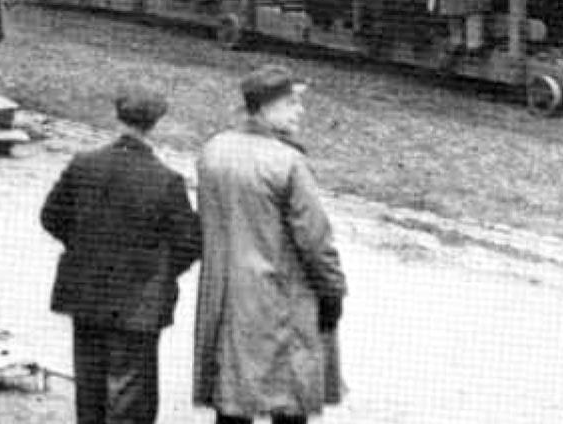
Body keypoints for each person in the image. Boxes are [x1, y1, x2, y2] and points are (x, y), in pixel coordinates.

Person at [194, 64, 346, 424]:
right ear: (264, 108)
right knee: (288, 396)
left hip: (226, 296)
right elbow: (315, 239)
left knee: (231, 395)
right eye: (291, 103)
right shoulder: (287, 162)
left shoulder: (214, 150)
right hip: (280, 298)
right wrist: (333, 291)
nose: (300, 111)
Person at [40, 88, 202, 424]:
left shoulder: (83, 165)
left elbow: (51, 216)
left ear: (118, 117)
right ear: (155, 124)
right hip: (138, 304)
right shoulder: (166, 181)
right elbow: (189, 243)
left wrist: (83, 248)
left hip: (86, 295)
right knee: (131, 397)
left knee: (89, 387)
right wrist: (157, 271)